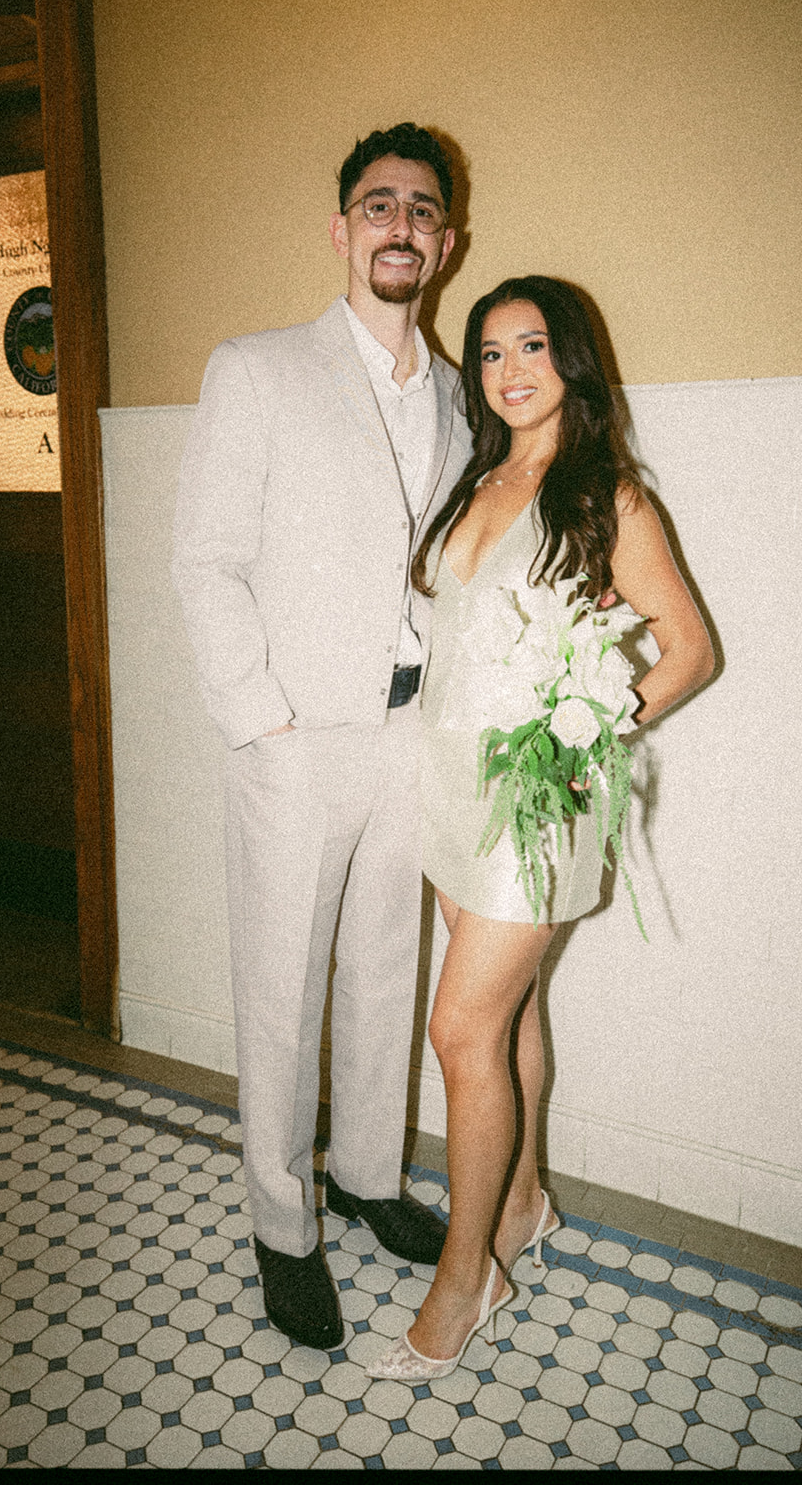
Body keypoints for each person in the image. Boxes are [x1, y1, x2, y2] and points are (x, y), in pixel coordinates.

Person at [367, 275, 715, 1381]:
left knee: (457, 1032)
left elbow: (688, 649)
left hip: (536, 800)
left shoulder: (607, 496)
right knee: (505, 1013)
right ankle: (520, 1204)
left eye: (530, 347)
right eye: (488, 352)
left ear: (570, 358)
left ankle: (464, 1278)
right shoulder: (479, 479)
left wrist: (592, 726)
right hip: (447, 783)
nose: (507, 370)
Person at [171, 124, 472, 1350]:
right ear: (341, 230)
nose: (400, 224)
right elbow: (204, 561)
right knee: (282, 990)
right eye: (378, 204)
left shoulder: (457, 395)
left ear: (446, 243)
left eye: (422, 209)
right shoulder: (256, 369)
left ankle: (365, 1177)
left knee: (386, 969)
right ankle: (281, 1223)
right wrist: (263, 720)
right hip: (295, 738)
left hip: (409, 730)